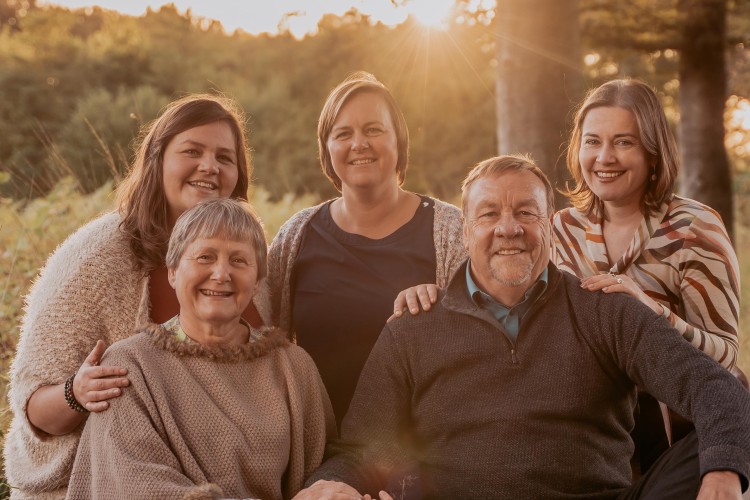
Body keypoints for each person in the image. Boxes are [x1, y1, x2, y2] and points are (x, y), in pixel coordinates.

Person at [296, 155, 750, 500]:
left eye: (526, 213)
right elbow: (359, 449)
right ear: (467, 231)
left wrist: (724, 473)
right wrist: (330, 484)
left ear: (548, 228)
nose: (508, 228)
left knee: (725, 435)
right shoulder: (414, 327)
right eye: (489, 214)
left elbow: (712, 387)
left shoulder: (605, 310)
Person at [4, 94, 270, 498]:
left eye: (224, 157)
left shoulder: (251, 263)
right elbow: (34, 411)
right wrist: (76, 394)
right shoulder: (96, 257)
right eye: (192, 151)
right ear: (157, 159)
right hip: (103, 484)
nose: (209, 167)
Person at [66, 199, 335, 499]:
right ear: (172, 271)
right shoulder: (128, 367)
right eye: (205, 256)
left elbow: (325, 474)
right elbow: (136, 487)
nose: (221, 274)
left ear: (257, 280)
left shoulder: (294, 367)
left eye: (239, 260)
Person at [553, 78, 743, 467]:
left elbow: (725, 354)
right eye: (593, 141)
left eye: (624, 142)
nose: (604, 157)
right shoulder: (560, 229)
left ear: (653, 153)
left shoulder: (694, 226)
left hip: (683, 431)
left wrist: (651, 312)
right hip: (591, 429)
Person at [267, 71, 465, 426]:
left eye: (373, 129)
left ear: (399, 140)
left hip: (421, 459)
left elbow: (486, 338)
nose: (359, 143)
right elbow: (250, 332)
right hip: (318, 454)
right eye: (343, 134)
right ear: (327, 150)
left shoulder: (452, 230)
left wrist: (447, 305)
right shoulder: (296, 236)